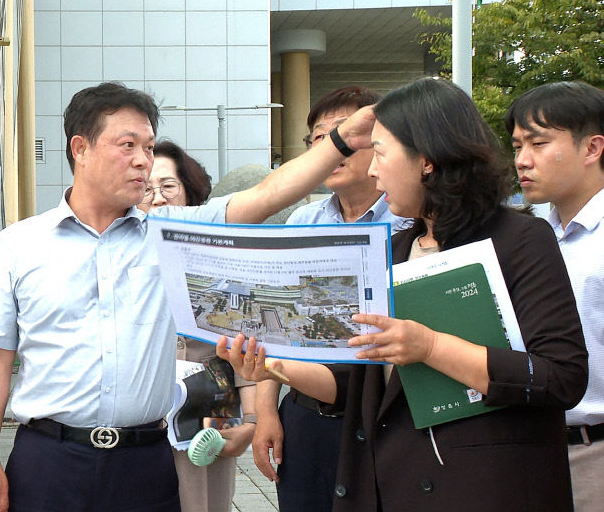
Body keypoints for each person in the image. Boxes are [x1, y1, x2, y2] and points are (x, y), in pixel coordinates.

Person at [0, 81, 376, 512]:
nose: (143, 160)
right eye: (128, 145)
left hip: (144, 462)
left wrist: (340, 141)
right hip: (48, 460)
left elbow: (268, 194)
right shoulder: (18, 245)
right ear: (80, 149)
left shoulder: (174, 236)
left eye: (148, 146)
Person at [219, 77, 588, 512]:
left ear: (427, 159)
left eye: (380, 153)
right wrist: (275, 365)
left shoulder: (520, 239)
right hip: (392, 484)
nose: (373, 170)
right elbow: (356, 384)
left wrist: (430, 346)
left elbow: (560, 377)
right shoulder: (389, 250)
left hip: (487, 488)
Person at [251, 86, 408, 512]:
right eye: (318, 139)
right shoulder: (304, 220)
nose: (329, 149)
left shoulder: (409, 219)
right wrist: (268, 412)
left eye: (342, 135)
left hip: (381, 415)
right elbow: (278, 327)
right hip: (304, 413)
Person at [139, 139, 257, 512]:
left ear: (189, 193)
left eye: (168, 186)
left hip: (205, 426)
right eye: (146, 189)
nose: (157, 198)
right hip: (140, 426)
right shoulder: (123, 263)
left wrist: (250, 422)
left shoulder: (223, 263)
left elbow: (246, 343)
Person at [505, 81, 604, 512]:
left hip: (592, 455)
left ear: (592, 147)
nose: (522, 161)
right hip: (524, 449)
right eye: (517, 145)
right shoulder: (525, 235)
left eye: (539, 143)